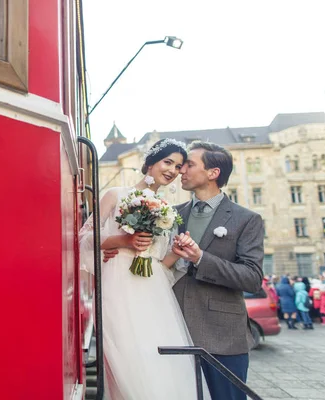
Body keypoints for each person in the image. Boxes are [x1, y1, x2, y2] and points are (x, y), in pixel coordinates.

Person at [79, 138, 210, 399]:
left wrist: (178, 251)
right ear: (150, 163)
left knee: (156, 355)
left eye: (179, 166)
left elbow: (159, 262)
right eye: (168, 162)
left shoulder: (167, 212)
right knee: (125, 356)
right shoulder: (115, 195)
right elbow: (84, 237)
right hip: (119, 284)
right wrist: (122, 241)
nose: (172, 170)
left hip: (152, 291)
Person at [169, 141, 264, 400]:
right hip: (171, 330)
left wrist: (201, 258)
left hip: (222, 336)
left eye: (189, 164)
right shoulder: (169, 215)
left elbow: (253, 278)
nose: (181, 170)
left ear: (213, 173)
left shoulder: (247, 219)